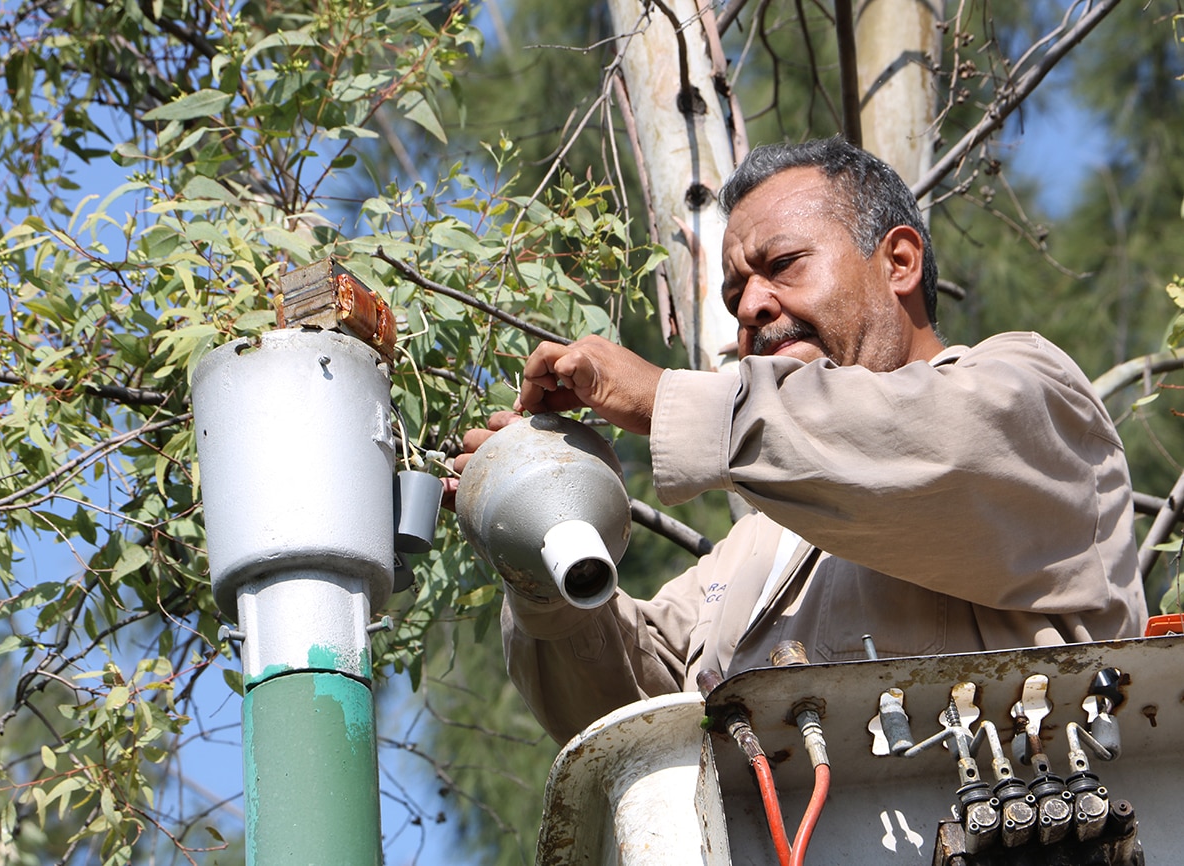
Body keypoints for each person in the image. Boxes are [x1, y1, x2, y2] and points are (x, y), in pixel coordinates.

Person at [449, 137, 1148, 745]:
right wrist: (539, 528)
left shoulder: (1029, 395)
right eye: (735, 297)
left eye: (782, 264)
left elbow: (936, 447)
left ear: (899, 261)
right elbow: (626, 721)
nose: (751, 307)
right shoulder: (755, 550)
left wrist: (663, 398)